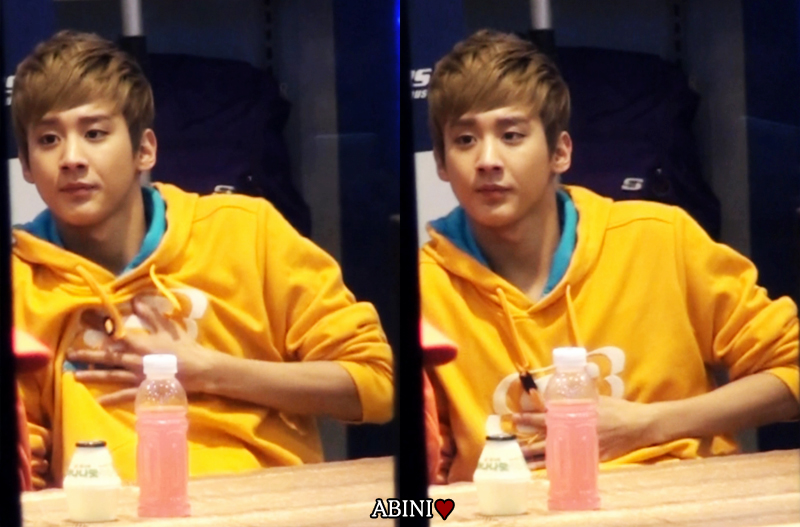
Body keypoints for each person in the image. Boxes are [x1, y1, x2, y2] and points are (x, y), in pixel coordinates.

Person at [11, 30, 393, 489]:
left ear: (144, 150)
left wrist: (209, 371)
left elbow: (376, 384)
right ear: (26, 165)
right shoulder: (20, 282)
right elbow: (27, 465)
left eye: (94, 133)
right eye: (49, 139)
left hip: (266, 506)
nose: (72, 158)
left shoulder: (246, 232)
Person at [419, 29, 799, 484]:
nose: (487, 160)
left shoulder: (660, 239)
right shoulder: (427, 288)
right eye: (464, 140)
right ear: (441, 163)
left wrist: (650, 424)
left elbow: (791, 370)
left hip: (682, 497)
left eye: (512, 135)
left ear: (560, 152)